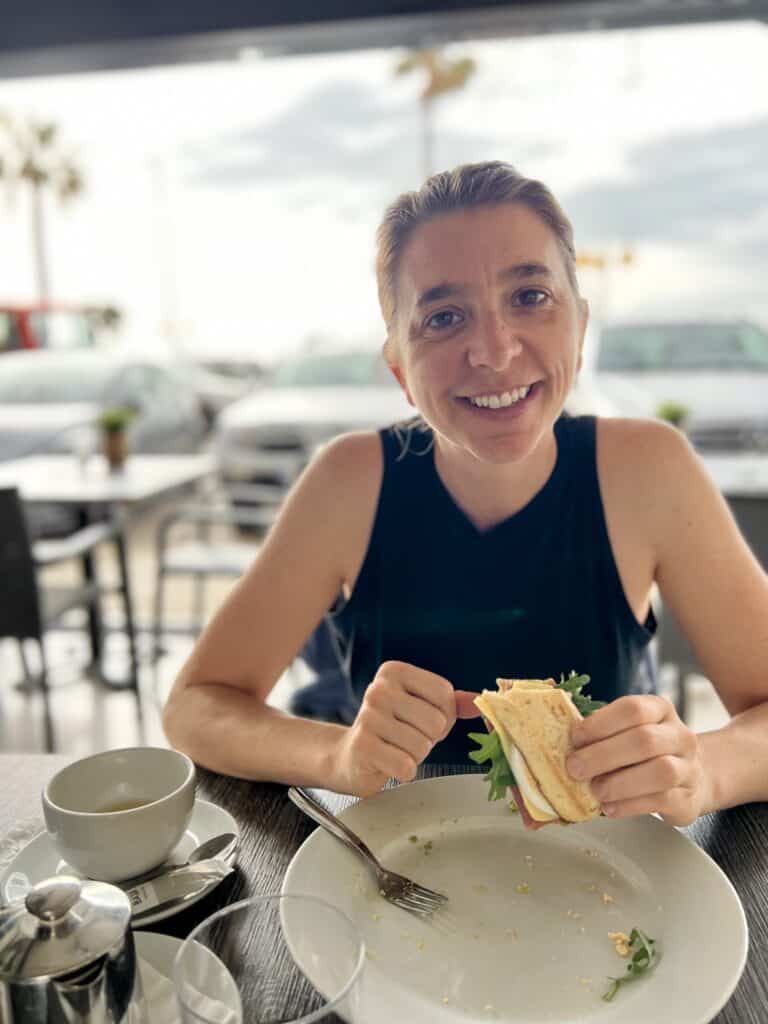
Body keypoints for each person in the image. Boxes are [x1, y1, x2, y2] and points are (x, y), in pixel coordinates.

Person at [163, 160, 768, 826]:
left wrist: (702, 770)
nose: (495, 350)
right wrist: (339, 757)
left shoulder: (650, 469)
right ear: (400, 367)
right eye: (445, 317)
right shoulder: (348, 482)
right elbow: (197, 704)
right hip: (397, 875)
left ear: (580, 324)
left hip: (611, 883)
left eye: (530, 297)